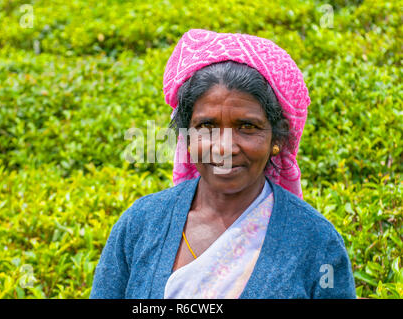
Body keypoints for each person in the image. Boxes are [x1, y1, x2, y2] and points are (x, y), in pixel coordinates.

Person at [90, 29, 356, 299]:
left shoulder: (317, 243)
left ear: (277, 136)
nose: (224, 148)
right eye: (207, 126)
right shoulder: (141, 223)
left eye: (247, 126)